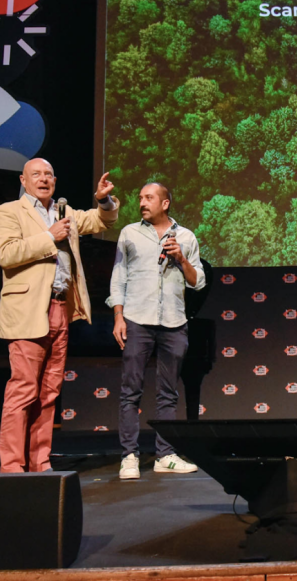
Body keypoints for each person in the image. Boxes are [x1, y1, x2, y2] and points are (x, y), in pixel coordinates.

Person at [0, 159, 118, 473]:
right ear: (23, 180)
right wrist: (49, 236)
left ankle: (40, 462)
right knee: (24, 389)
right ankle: (12, 466)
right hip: (28, 309)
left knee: (49, 392)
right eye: (36, 174)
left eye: (48, 174)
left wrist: (103, 200)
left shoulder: (65, 212)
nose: (43, 179)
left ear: (55, 181)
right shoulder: (8, 211)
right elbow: (6, 254)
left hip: (61, 307)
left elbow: (101, 221)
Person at [108, 183, 206, 479]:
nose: (142, 202)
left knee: (168, 392)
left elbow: (197, 281)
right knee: (130, 391)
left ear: (165, 203)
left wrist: (182, 259)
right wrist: (118, 316)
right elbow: (119, 276)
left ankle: (165, 455)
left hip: (174, 322)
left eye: (148, 198)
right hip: (137, 319)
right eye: (140, 198)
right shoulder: (129, 233)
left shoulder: (186, 236)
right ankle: (129, 456)